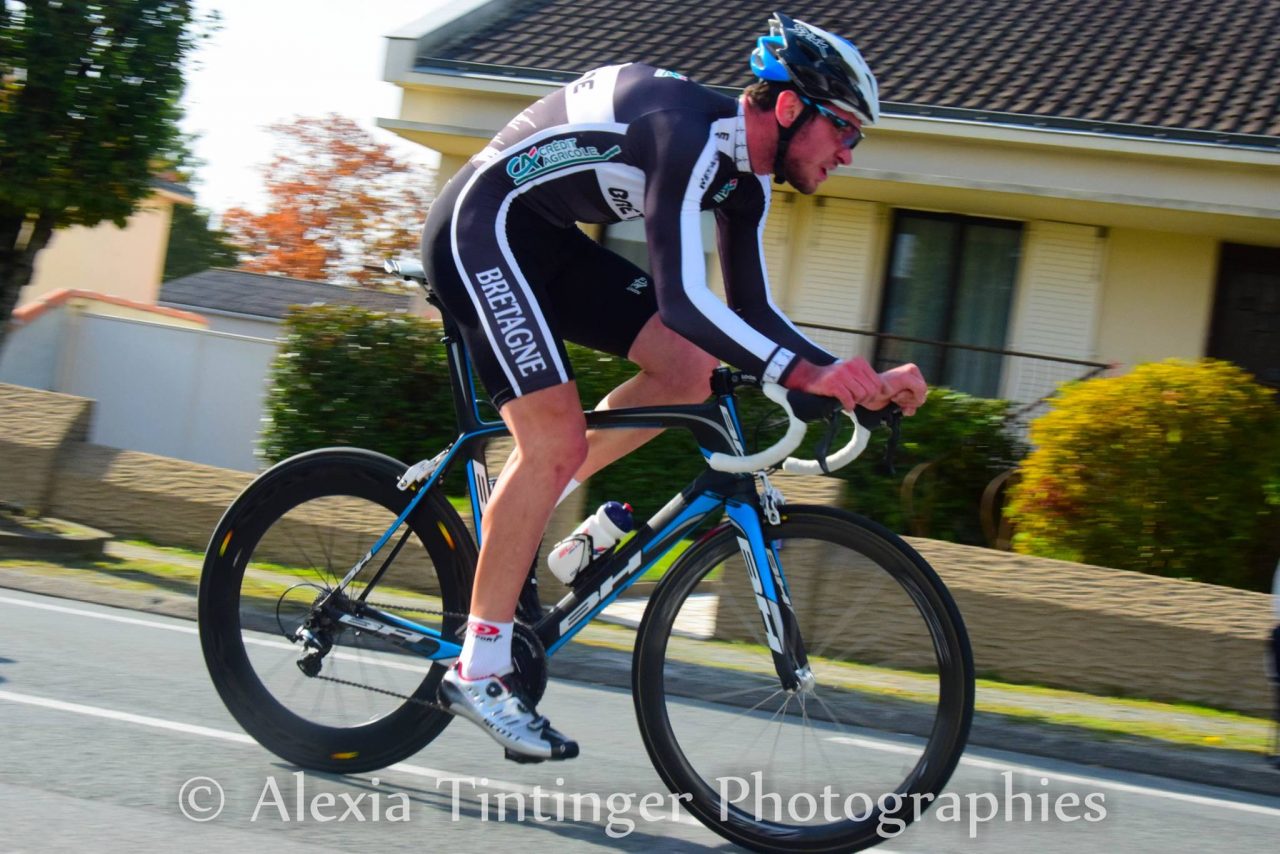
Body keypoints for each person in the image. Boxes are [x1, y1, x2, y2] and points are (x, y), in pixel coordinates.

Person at [420, 12, 928, 761]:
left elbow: (753, 312)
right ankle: (479, 666)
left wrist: (855, 378)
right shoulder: (687, 134)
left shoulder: (744, 183)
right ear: (790, 109)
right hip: (481, 230)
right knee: (554, 439)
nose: (850, 153)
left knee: (688, 372)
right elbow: (685, 300)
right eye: (845, 130)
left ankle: (529, 502)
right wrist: (810, 374)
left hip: (545, 239)